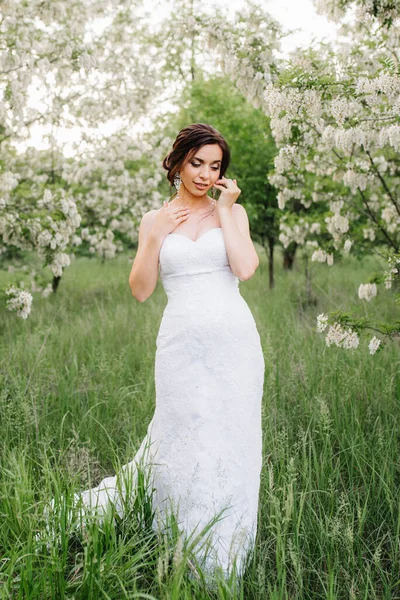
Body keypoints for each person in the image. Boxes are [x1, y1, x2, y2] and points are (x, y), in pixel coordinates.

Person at [67, 123, 264, 586]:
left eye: (214, 166)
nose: (204, 173)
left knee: (229, 437)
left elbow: (246, 269)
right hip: (180, 344)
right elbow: (140, 290)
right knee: (182, 432)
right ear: (177, 163)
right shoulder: (154, 218)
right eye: (197, 162)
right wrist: (156, 235)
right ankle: (177, 535)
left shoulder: (231, 213)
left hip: (234, 343)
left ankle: (224, 549)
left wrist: (228, 209)